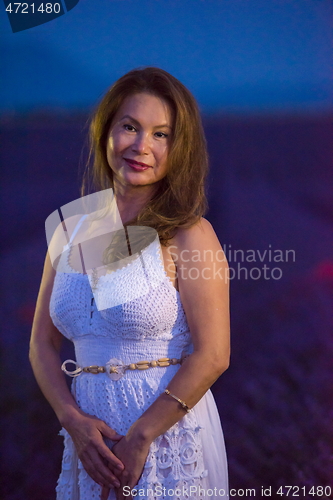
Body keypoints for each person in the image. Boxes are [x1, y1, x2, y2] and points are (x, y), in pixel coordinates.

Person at [29, 67, 230, 500]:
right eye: (130, 127)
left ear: (181, 149)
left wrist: (142, 437)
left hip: (166, 437)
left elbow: (213, 354)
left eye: (162, 135)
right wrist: (73, 421)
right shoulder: (68, 229)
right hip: (90, 443)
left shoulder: (189, 234)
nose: (142, 146)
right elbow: (41, 345)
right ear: (106, 131)